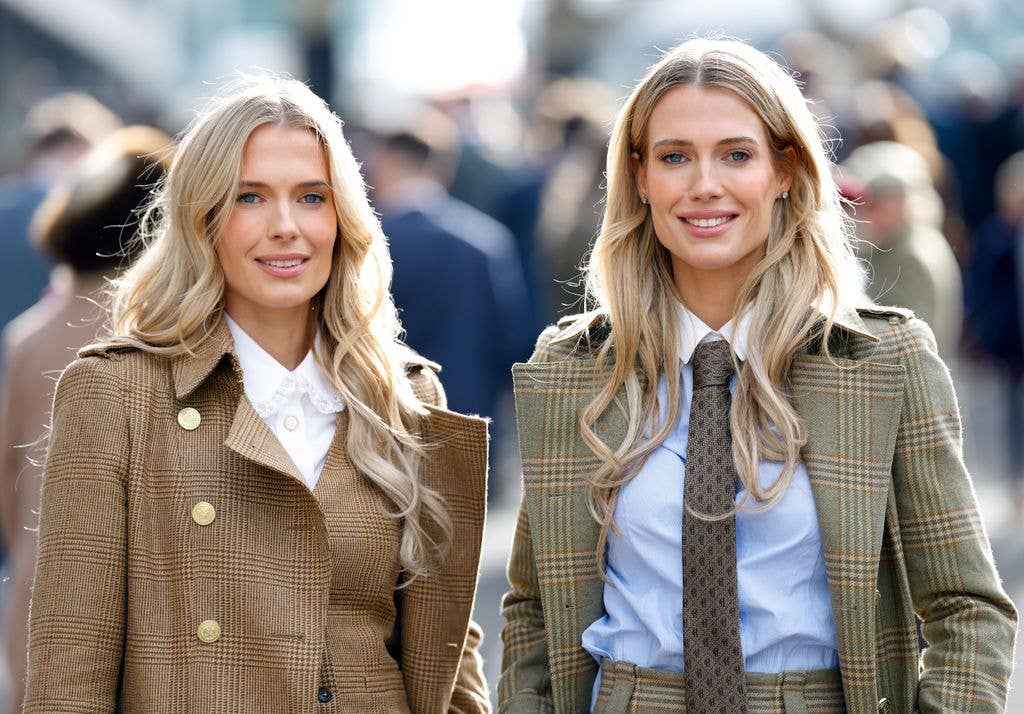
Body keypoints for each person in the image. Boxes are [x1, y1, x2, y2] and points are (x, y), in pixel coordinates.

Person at [499, 38, 1016, 714]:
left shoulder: (883, 363)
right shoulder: (572, 369)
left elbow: (966, 607)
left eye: (736, 155)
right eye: (675, 156)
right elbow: (535, 610)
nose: (703, 184)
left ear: (784, 170)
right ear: (641, 177)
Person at [24, 76, 490, 713]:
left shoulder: (403, 394)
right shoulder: (114, 395)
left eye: (311, 197)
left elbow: (447, 657)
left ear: (342, 217)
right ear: (203, 217)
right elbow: (69, 671)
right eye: (250, 198)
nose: (285, 227)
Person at [0, 124, 172, 714]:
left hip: (41, 602)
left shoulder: (28, 338)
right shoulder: (174, 333)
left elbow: (8, 485)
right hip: (163, 621)